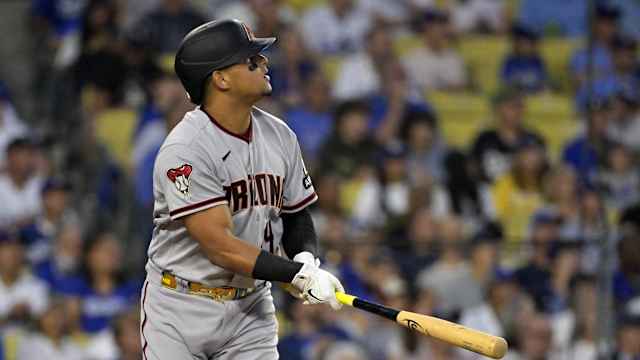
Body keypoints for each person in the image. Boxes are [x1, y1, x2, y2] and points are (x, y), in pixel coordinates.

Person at [141, 19, 344, 359]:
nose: (264, 62)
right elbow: (221, 248)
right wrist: (294, 275)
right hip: (180, 306)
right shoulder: (186, 150)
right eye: (251, 60)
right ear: (220, 79)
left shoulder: (280, 136)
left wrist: (305, 260)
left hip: (250, 309)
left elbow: (296, 214)